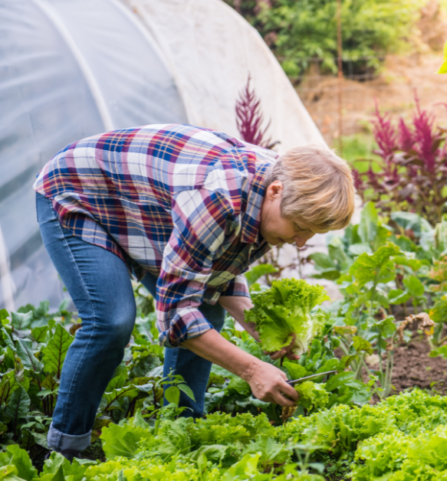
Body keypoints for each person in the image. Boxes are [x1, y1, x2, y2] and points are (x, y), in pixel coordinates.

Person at [33, 124, 355, 457]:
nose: (300, 242)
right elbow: (177, 315)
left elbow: (216, 273)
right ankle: (66, 451)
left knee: (204, 305)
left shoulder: (281, 188)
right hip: (78, 193)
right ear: (274, 191)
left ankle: (182, 432)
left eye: (310, 234)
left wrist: (261, 327)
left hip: (143, 209)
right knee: (112, 322)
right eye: (300, 228)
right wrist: (252, 370)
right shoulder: (217, 197)